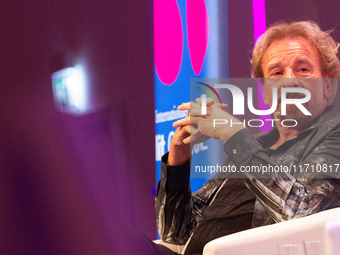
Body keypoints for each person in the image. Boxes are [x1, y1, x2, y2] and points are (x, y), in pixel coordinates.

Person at [155, 20, 340, 255]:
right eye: (276, 72)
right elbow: (177, 234)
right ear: (263, 90)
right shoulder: (257, 145)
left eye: (303, 69)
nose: (289, 81)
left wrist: (233, 134)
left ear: (328, 86)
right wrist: (178, 160)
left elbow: (302, 212)